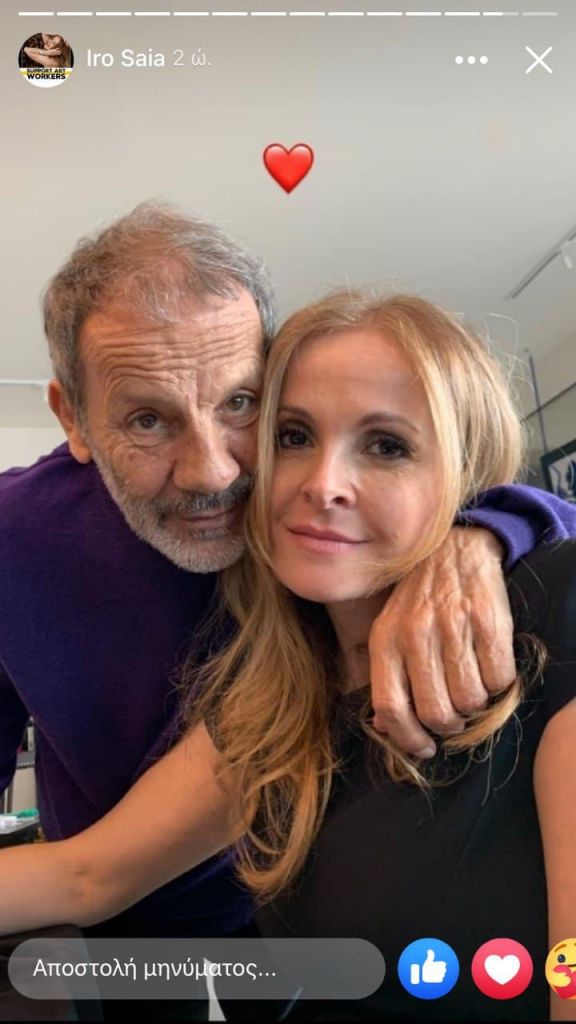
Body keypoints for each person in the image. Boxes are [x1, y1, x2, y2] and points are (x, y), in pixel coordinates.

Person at [1, 291, 576, 1023]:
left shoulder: (549, 617)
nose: (322, 483)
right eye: (294, 436)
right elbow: (86, 875)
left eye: (387, 446)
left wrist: (491, 527)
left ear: (463, 473)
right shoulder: (277, 701)